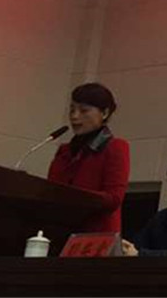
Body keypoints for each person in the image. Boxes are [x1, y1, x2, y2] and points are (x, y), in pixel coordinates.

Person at [47, 83, 130, 233]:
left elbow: (113, 199)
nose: (74, 116)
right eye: (72, 110)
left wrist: (72, 197)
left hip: (96, 234)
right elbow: (51, 190)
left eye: (84, 110)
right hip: (60, 230)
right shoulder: (64, 151)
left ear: (104, 113)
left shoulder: (115, 146)